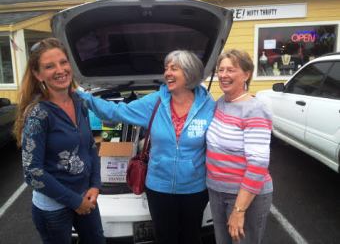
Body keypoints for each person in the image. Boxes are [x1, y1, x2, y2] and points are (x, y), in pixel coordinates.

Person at [77, 50, 215, 244]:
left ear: (190, 73)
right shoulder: (155, 102)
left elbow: (223, 138)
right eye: (166, 68)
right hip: (159, 188)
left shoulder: (208, 105)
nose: (167, 73)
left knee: (191, 237)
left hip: (195, 188)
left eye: (173, 68)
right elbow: (116, 112)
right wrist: (83, 97)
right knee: (165, 238)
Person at [13, 38, 105, 244]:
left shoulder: (79, 102)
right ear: (38, 75)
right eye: (49, 66)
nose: (60, 69)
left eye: (63, 62)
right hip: (53, 208)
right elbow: (32, 173)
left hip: (86, 196)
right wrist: (75, 202)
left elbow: (90, 146)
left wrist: (95, 185)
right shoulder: (39, 114)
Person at [206, 49, 273, 244]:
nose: (224, 75)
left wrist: (239, 210)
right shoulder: (221, 103)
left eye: (231, 70)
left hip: (245, 198)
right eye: (221, 69)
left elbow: (258, 164)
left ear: (246, 74)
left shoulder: (255, 109)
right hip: (217, 191)